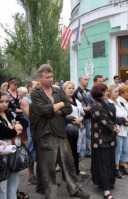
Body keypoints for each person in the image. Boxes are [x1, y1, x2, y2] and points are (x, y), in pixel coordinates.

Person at [30, 64, 89, 199]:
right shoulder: (35, 93)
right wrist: (59, 106)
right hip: (45, 134)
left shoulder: (58, 90)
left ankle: (74, 189)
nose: (51, 79)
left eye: (52, 76)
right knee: (48, 167)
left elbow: (68, 107)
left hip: (60, 132)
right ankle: (51, 193)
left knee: (68, 162)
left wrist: (56, 108)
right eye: (47, 77)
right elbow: (42, 111)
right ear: (40, 78)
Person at [90, 83, 117, 199]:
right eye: (105, 91)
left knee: (109, 162)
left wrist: (121, 121)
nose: (107, 92)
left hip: (109, 138)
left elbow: (111, 117)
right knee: (103, 164)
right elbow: (104, 120)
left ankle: (107, 183)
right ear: (99, 92)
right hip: (100, 140)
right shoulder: (95, 105)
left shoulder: (105, 103)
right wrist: (114, 127)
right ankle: (106, 190)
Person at [0, 91, 27, 199]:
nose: (5, 104)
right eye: (1, 101)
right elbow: (3, 132)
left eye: (7, 101)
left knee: (14, 184)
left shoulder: (8, 113)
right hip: (2, 155)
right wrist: (15, 131)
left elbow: (25, 121)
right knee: (2, 187)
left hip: (13, 151)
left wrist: (19, 124)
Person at [110, 85, 128, 178]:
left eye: (117, 92)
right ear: (110, 93)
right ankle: (116, 169)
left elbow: (125, 113)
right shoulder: (110, 103)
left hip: (125, 129)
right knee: (118, 150)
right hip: (118, 130)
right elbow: (113, 117)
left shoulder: (119, 102)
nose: (117, 93)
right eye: (115, 92)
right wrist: (124, 120)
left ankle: (122, 164)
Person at [63, 81, 85, 175]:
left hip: (78, 128)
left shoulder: (76, 100)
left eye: (72, 88)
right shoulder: (62, 101)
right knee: (69, 152)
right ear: (64, 90)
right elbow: (62, 115)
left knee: (76, 150)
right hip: (68, 129)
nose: (71, 90)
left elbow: (82, 112)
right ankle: (68, 173)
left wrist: (80, 119)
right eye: (69, 88)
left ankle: (76, 170)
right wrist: (73, 120)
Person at [74, 75, 93, 157]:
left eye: (88, 80)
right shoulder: (76, 92)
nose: (87, 81)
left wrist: (91, 107)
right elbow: (75, 103)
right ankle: (80, 152)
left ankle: (88, 151)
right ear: (80, 80)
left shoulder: (89, 91)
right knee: (81, 135)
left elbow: (92, 101)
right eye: (85, 79)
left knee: (89, 134)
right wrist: (84, 108)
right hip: (80, 117)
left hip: (89, 116)